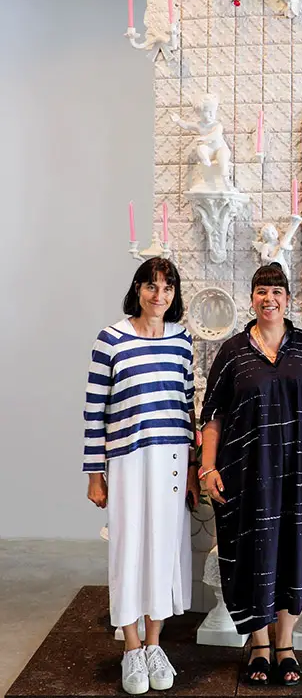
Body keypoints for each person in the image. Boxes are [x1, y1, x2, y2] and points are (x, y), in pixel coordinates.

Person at [199, 263, 302, 686]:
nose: (269, 299)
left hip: (300, 475)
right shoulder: (232, 352)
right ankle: (259, 643)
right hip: (246, 475)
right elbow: (213, 416)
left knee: (295, 552)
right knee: (253, 555)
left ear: (288, 299)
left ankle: (285, 643)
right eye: (262, 291)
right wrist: (207, 467)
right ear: (252, 299)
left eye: (276, 292)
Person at [83, 258, 199, 695]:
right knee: (128, 550)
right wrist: (95, 474)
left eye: (167, 288)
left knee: (164, 552)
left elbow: (188, 407)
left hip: (170, 458)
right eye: (151, 286)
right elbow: (95, 412)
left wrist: (191, 468)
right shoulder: (110, 340)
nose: (159, 295)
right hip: (127, 459)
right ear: (138, 289)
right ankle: (131, 647)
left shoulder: (182, 340)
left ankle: (154, 644)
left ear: (175, 295)